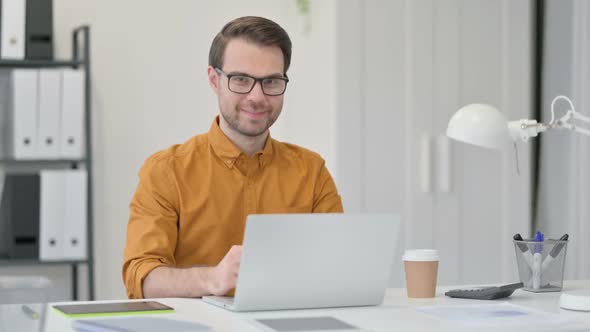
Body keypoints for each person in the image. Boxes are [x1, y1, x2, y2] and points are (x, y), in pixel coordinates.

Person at [122, 16, 343, 299]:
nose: (257, 96)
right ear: (215, 80)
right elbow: (141, 278)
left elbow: (337, 267)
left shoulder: (312, 172)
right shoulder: (166, 171)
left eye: (271, 81)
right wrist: (212, 278)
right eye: (241, 79)